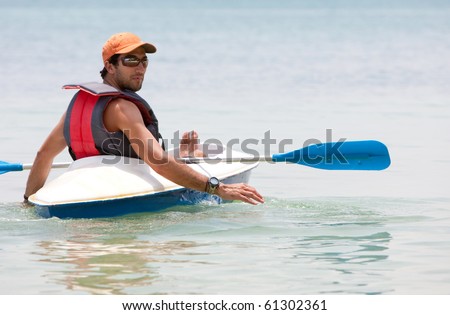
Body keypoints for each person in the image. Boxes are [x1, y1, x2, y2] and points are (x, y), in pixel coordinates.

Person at [24, 32, 264, 206]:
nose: (140, 67)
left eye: (144, 60)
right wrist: (217, 188)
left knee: (168, 155)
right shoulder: (123, 108)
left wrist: (29, 200)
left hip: (94, 177)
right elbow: (157, 162)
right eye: (130, 60)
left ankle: (186, 154)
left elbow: (43, 155)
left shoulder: (75, 109)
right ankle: (187, 156)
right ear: (109, 65)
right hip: (115, 183)